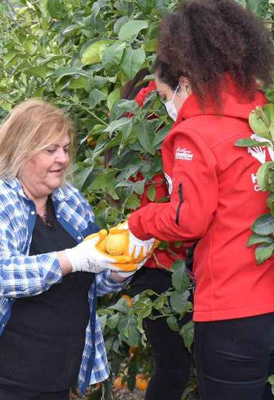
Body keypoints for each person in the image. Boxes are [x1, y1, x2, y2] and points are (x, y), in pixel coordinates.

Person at [121, 1, 274, 398]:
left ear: (186, 81)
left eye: (165, 94)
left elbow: (188, 220)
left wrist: (141, 221)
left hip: (238, 310)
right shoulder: (270, 125)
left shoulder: (194, 134)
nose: (169, 106)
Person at [0, 100, 150, 400]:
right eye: (50, 150)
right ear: (21, 150)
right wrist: (72, 258)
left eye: (66, 149)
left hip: (50, 377)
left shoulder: (69, 200)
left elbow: (91, 280)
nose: (62, 159)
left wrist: (121, 269)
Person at [120, 70, 194, 400]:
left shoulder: (132, 112)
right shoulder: (158, 104)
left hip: (150, 259)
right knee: (184, 366)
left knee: (172, 366)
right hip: (169, 258)